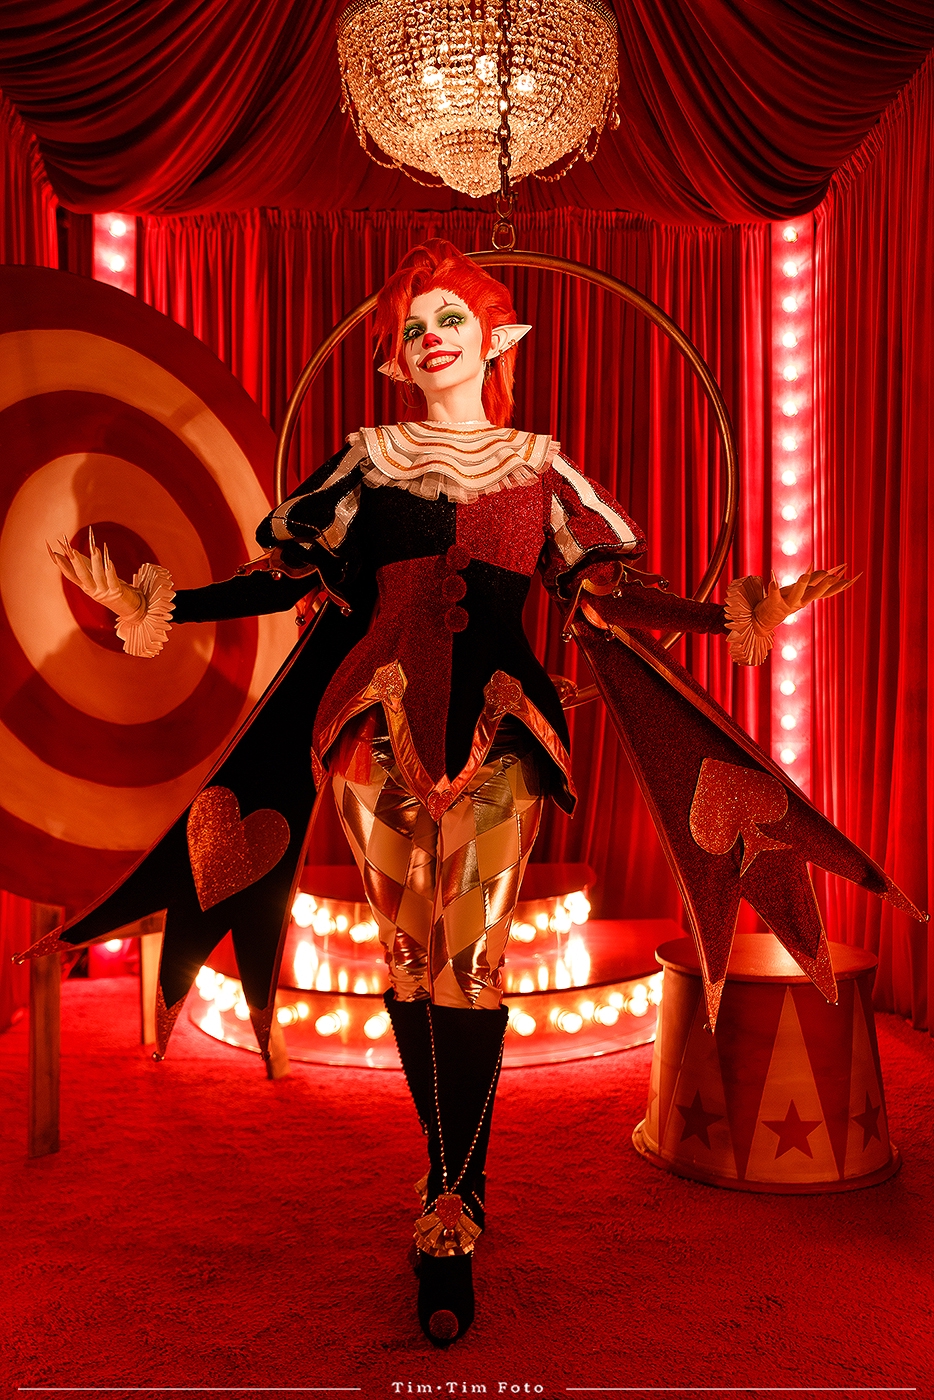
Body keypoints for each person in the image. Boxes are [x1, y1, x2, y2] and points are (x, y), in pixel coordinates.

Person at [47, 239, 865, 1345]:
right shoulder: (364, 461)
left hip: (502, 741)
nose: (430, 337)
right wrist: (159, 608)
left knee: (470, 966)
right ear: (395, 358)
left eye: (450, 319)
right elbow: (283, 578)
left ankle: (451, 1204)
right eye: (412, 327)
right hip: (372, 739)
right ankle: (450, 1178)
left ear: (495, 339)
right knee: (406, 961)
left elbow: (606, 593)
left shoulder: (541, 470)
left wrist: (725, 619)